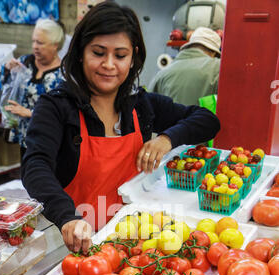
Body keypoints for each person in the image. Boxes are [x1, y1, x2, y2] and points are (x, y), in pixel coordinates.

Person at [21, 2, 220, 254]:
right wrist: (67, 216)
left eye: (120, 55)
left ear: (133, 56)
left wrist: (167, 139)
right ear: (81, 51)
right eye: (99, 52)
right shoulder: (57, 107)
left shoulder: (140, 105)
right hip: (71, 240)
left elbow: (207, 120)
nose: (109, 64)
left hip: (130, 239)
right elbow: (35, 166)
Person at [0, 18, 65, 155]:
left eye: (40, 43)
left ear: (54, 45)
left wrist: (30, 113)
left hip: (50, 142)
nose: (34, 46)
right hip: (24, 138)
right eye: (33, 41)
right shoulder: (24, 62)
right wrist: (7, 68)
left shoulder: (63, 74)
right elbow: (0, 83)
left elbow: (64, 112)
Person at [148, 27, 221, 106]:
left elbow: (146, 109)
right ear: (214, 53)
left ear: (189, 46)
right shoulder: (219, 67)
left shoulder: (161, 74)